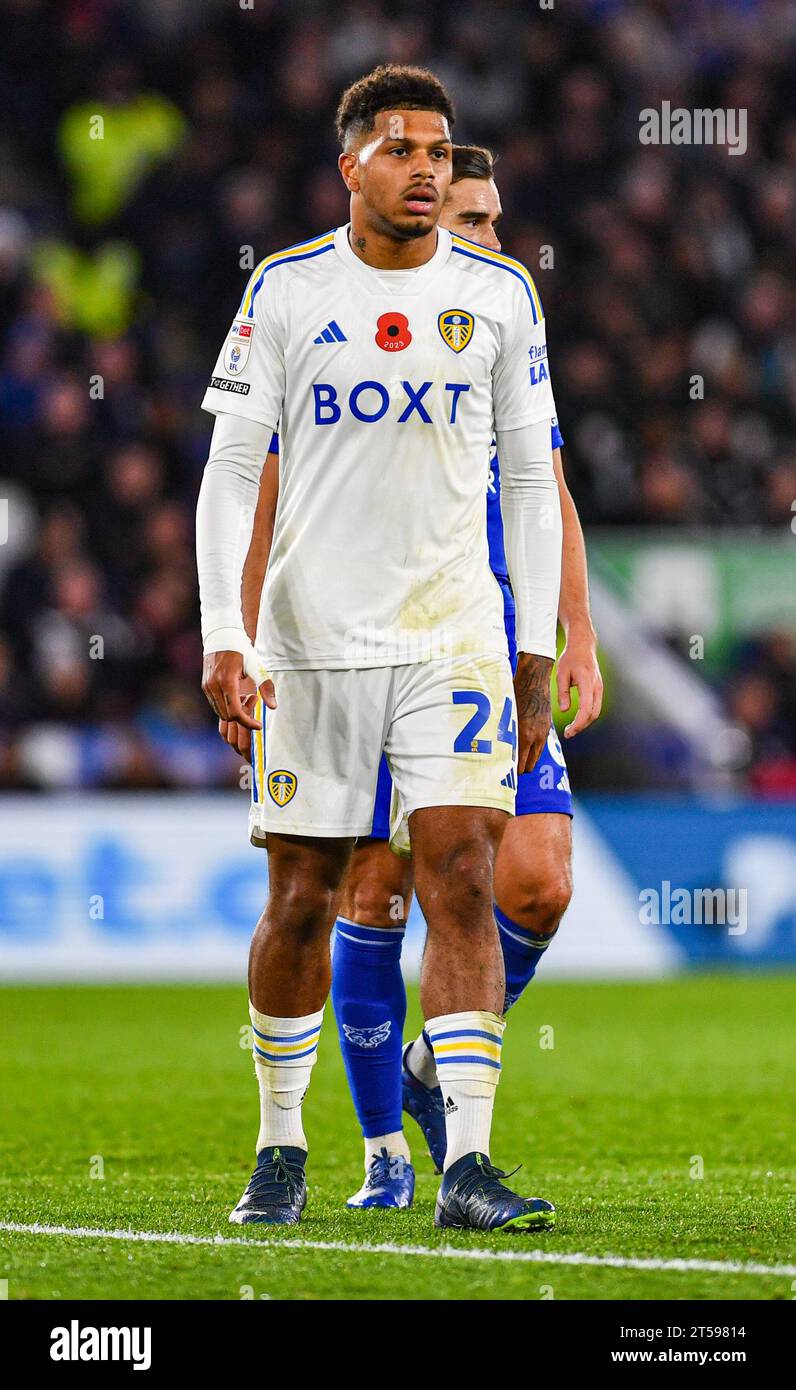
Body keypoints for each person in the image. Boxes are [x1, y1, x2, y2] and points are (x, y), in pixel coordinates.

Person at [197, 65, 563, 1232]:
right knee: (305, 895)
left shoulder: (500, 295)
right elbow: (231, 472)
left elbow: (527, 476)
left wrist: (537, 641)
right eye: (400, 148)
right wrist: (224, 632)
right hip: (312, 641)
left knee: (459, 872)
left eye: (440, 150)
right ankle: (280, 1142)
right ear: (347, 163)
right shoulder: (288, 291)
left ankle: (465, 1160)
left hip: (451, 631)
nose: (427, 168)